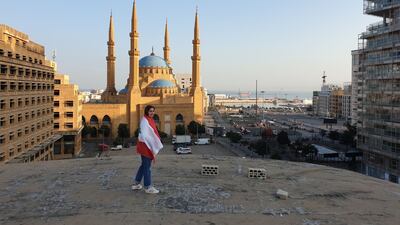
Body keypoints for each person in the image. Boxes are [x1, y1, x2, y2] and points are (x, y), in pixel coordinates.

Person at [131, 105, 163, 194]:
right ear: (146, 111)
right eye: (150, 111)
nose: (152, 113)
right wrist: (152, 145)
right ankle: (148, 187)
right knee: (147, 167)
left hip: (145, 145)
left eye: (153, 111)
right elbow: (145, 135)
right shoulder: (145, 121)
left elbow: (151, 133)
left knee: (144, 165)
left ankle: (136, 183)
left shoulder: (148, 119)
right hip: (145, 146)